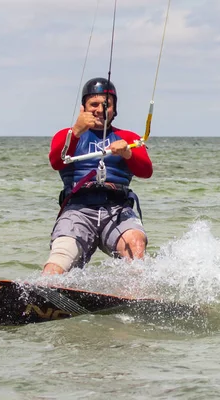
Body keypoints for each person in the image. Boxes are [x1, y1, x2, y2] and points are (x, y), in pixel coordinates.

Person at [43, 77, 153, 275]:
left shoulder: (128, 138)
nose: (100, 110)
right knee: (60, 257)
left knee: (136, 244)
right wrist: (76, 131)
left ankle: (136, 297)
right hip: (78, 210)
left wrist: (128, 153)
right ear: (83, 108)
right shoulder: (66, 135)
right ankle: (42, 293)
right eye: (93, 104)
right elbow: (56, 162)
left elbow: (146, 172)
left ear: (114, 109)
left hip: (117, 210)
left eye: (106, 105)